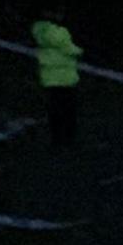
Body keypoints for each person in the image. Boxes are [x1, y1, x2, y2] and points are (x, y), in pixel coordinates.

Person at [31, 14, 84, 147]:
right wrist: (81, 51)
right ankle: (69, 139)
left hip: (49, 78)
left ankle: (56, 139)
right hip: (65, 79)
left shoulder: (38, 29)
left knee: (54, 110)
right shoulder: (61, 33)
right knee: (69, 110)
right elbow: (70, 50)